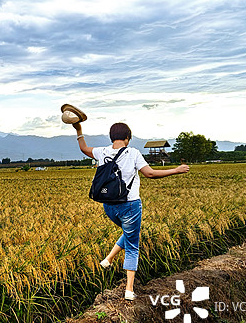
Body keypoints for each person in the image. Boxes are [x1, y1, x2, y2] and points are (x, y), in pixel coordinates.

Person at [74, 122, 189, 301]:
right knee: (133, 243)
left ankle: (109, 259)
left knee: (130, 233)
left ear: (111, 137)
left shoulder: (102, 152)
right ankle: (129, 290)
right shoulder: (133, 153)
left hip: (109, 206)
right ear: (128, 138)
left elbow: (83, 148)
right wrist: (176, 170)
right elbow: (150, 174)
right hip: (130, 205)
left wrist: (78, 130)